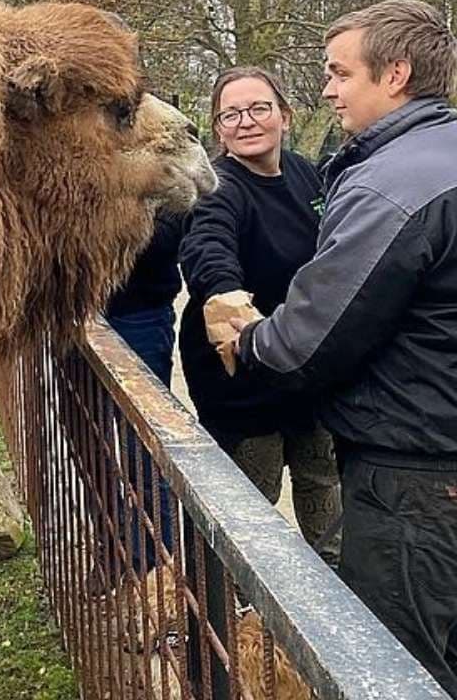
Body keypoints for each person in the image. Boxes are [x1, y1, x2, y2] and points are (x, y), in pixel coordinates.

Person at [218, 0, 457, 700]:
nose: (328, 89)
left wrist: (248, 340)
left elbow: (309, 341)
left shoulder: (396, 182)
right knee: (447, 665)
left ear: (395, 74)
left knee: (385, 675)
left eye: (339, 73)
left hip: (417, 480)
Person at [177, 67, 342, 565]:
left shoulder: (305, 174)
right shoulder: (218, 186)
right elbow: (207, 246)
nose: (246, 122)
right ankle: (223, 614)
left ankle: (337, 604)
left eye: (258, 109)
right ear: (218, 128)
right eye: (231, 114)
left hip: (309, 373)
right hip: (244, 378)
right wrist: (228, 297)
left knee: (325, 493)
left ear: (285, 117)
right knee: (248, 511)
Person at [102, 208, 184, 576]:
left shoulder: (155, 155)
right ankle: (113, 546)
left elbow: (167, 236)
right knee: (91, 446)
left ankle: (155, 565)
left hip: (140, 316)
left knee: (144, 444)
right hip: (74, 315)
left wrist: (92, 221)